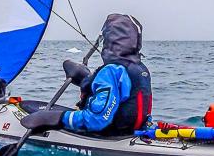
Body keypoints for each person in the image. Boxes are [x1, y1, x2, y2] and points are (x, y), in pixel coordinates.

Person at [21, 14, 153, 136]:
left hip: (110, 134)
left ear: (110, 40)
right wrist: (86, 80)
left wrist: (55, 118)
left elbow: (97, 120)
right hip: (132, 131)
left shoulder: (111, 71)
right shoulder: (140, 68)